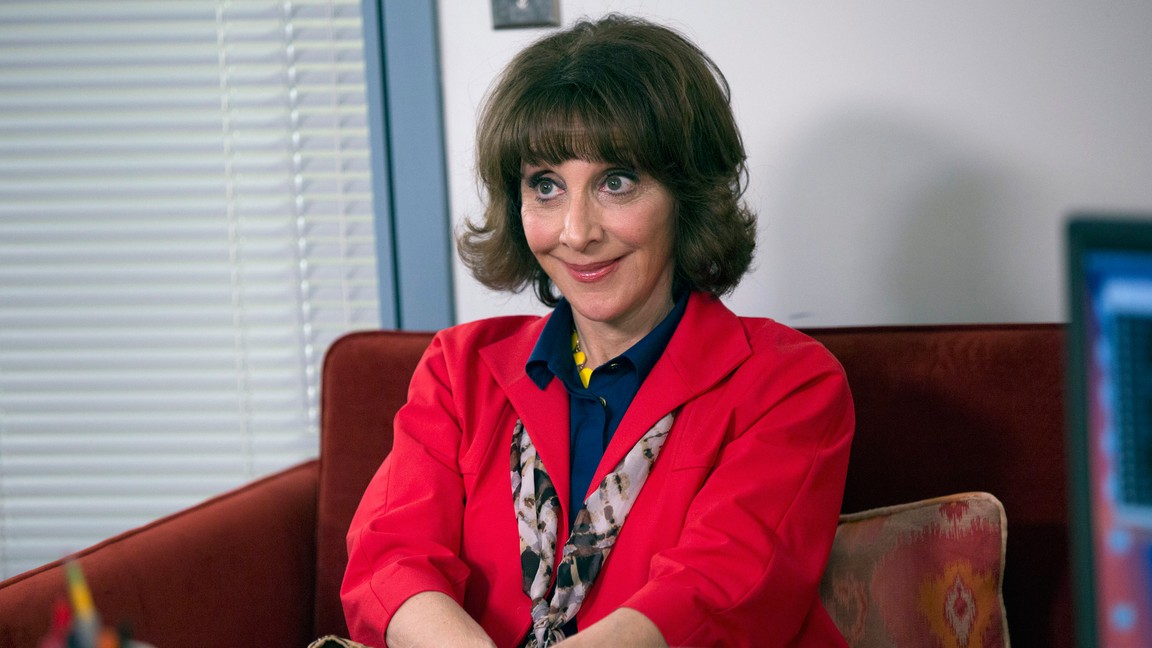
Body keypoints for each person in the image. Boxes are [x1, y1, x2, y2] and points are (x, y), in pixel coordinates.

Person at [341, 14, 854, 648]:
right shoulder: (458, 370)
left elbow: (719, 589)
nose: (577, 232)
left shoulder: (787, 382)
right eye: (546, 186)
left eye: (616, 182)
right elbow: (390, 559)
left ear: (687, 194)